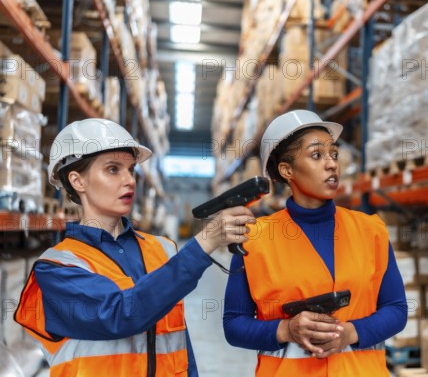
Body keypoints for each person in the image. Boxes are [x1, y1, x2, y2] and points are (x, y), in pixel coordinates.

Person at [14, 118, 256, 376]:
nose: (129, 180)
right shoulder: (57, 267)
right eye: (112, 169)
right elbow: (120, 314)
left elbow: (181, 349)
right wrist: (204, 243)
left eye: (131, 170)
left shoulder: (162, 249)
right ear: (77, 181)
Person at [223, 110, 408, 376]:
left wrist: (350, 333)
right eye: (316, 155)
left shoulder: (370, 230)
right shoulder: (255, 238)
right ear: (287, 170)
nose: (332, 164)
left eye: (334, 154)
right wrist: (286, 329)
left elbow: (396, 309)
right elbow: (233, 325)